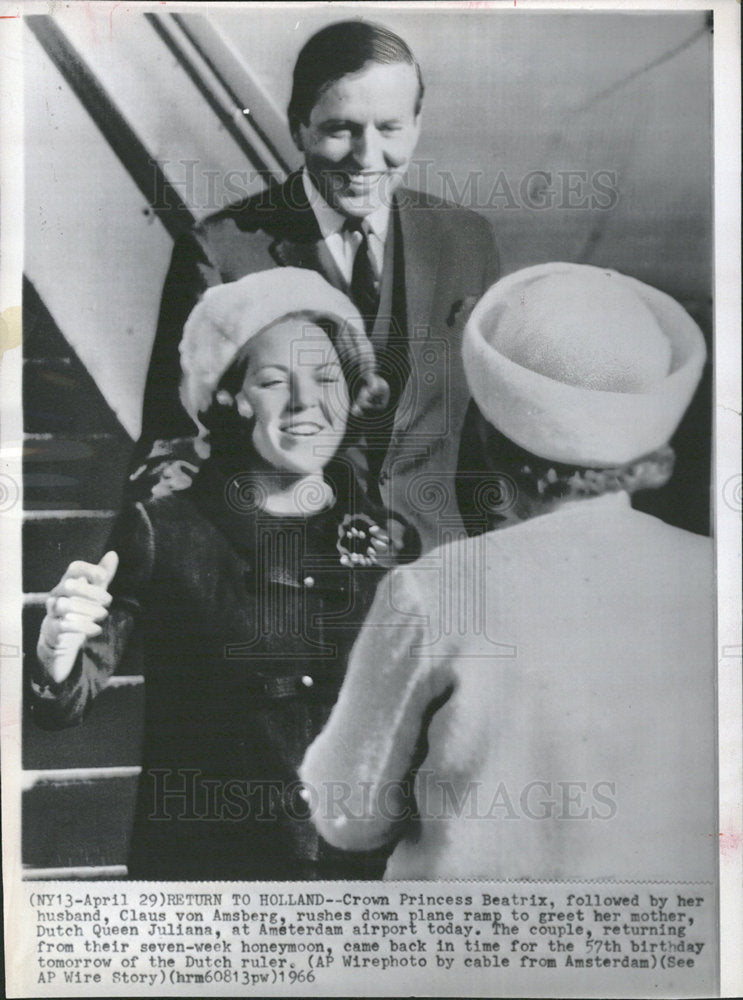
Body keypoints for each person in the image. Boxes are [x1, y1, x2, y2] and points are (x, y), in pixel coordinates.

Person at [301, 262, 715, 881]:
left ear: (487, 432)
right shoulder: (714, 577)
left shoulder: (432, 592)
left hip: (467, 957)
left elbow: (348, 816)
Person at [29, 268, 417, 880]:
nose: (306, 405)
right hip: (216, 874)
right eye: (272, 382)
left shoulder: (391, 537)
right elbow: (68, 697)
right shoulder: (165, 529)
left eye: (326, 380)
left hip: (366, 872)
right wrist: (58, 654)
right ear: (230, 398)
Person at [132, 19, 499, 552]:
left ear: (417, 125)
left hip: (441, 572)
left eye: (390, 129)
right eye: (341, 129)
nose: (366, 157)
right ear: (298, 128)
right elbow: (174, 440)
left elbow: (489, 442)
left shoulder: (468, 240)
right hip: (285, 578)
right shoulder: (220, 250)